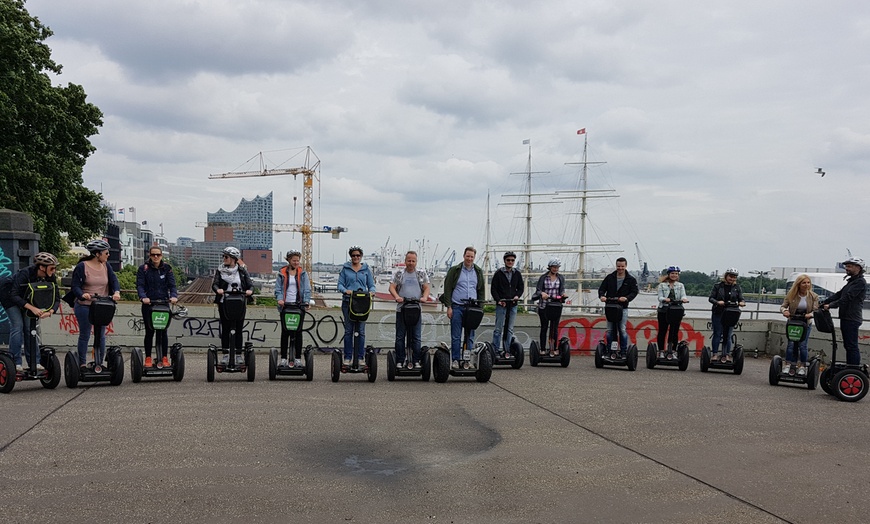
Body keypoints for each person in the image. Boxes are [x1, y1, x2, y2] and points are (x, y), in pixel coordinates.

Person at [70, 239, 121, 370]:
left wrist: (116, 292)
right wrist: (82, 294)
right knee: (85, 334)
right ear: (97, 254)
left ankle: (99, 363)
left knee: (101, 334)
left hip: (102, 305)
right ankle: (81, 364)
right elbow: (75, 286)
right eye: (106, 253)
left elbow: (114, 280)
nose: (108, 255)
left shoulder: (106, 266)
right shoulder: (82, 266)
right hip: (84, 305)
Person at [8, 252, 60, 372]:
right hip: (10, 299)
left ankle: (35, 361)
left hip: (29, 301)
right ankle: (15, 362)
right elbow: (14, 295)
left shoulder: (50, 277)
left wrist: (50, 311)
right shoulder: (25, 273)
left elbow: (56, 298)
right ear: (42, 267)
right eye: (52, 268)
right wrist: (33, 308)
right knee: (18, 326)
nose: (54, 271)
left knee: (30, 329)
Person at [440, 246, 485, 369]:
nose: (469, 259)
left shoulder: (478, 271)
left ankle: (467, 360)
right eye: (468, 256)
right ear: (464, 256)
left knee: (470, 335)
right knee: (456, 335)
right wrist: (448, 307)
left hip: (472, 307)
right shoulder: (455, 270)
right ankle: (455, 360)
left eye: (472, 257)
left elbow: (481, 290)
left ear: (474, 257)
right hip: (457, 306)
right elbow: (448, 288)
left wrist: (481, 307)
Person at [136, 246, 178, 368]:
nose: (155, 257)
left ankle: (164, 357)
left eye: (158, 255)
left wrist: (174, 296)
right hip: (149, 304)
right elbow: (140, 285)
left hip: (163, 304)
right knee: (150, 331)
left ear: (161, 256)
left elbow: (172, 285)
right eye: (153, 255)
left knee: (163, 331)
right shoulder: (143, 269)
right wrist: (143, 297)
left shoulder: (167, 269)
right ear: (149, 255)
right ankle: (148, 357)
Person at [388, 250, 430, 368]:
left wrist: (425, 297)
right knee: (400, 336)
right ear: (405, 261)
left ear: (416, 262)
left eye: (413, 261)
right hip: (402, 309)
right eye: (409, 260)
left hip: (416, 309)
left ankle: (416, 360)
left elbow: (426, 287)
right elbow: (391, 287)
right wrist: (397, 297)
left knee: (416, 337)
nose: (411, 263)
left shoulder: (421, 273)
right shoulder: (399, 273)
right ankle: (400, 360)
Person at [821, 257, 866, 365]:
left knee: (851, 345)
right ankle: (850, 367)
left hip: (852, 318)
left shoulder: (860, 282)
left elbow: (847, 298)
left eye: (849, 266)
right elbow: (839, 294)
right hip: (846, 317)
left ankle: (853, 369)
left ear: (858, 268)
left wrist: (831, 305)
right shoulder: (851, 282)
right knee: (848, 345)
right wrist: (823, 303)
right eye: (846, 266)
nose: (846, 268)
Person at [212, 246, 253, 362]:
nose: (224, 258)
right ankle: (225, 354)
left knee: (239, 329)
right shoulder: (220, 270)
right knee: (225, 329)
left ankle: (239, 354)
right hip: (224, 303)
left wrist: (250, 291)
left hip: (239, 303)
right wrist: (218, 290)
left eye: (226, 257)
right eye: (223, 256)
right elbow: (215, 284)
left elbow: (250, 285)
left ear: (234, 259)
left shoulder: (242, 271)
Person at [338, 246, 376, 366]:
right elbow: (339, 285)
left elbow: (371, 285)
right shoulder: (345, 269)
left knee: (361, 331)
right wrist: (346, 291)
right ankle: (348, 357)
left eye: (358, 255)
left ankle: (360, 357)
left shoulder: (366, 270)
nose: (356, 257)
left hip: (362, 304)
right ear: (351, 256)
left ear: (361, 257)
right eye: (354, 255)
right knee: (349, 331)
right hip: (348, 302)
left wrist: (371, 292)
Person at [274, 249, 312, 367]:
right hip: (285, 306)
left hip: (298, 306)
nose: (296, 263)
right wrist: (280, 299)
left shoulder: (303, 274)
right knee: (285, 332)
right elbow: (278, 289)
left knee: (298, 332)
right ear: (289, 260)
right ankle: (284, 358)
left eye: (298, 260)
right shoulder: (282, 273)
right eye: (294, 260)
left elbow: (306, 289)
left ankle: (298, 359)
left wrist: (306, 302)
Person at [598, 257, 639, 355]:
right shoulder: (610, 277)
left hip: (622, 308)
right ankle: (609, 350)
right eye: (618, 266)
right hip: (610, 307)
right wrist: (602, 296)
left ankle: (623, 351)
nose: (620, 268)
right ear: (616, 266)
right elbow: (602, 289)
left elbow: (634, 292)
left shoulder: (631, 279)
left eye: (622, 266)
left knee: (622, 329)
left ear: (625, 266)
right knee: (610, 330)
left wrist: (627, 298)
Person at [779, 274, 819, 376]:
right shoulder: (791, 295)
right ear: (799, 284)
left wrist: (811, 314)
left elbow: (816, 310)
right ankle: (788, 364)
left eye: (808, 282)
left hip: (805, 324)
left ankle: (802, 366)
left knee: (803, 345)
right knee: (791, 344)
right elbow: (783, 306)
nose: (806, 285)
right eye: (804, 283)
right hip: (793, 322)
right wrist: (785, 311)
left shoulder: (813, 296)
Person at [708, 267, 746, 363]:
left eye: (734, 277)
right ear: (726, 276)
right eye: (730, 276)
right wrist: (717, 302)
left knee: (728, 334)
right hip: (719, 312)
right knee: (717, 333)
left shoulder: (737, 288)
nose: (732, 279)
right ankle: (715, 354)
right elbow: (711, 298)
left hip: (731, 313)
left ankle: (727, 354)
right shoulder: (718, 286)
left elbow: (741, 298)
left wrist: (742, 302)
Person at [491, 251, 524, 356]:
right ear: (504, 261)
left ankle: (507, 350)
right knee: (498, 328)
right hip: (502, 304)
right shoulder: (499, 273)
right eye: (508, 260)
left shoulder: (517, 273)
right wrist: (499, 300)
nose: (510, 262)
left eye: (512, 260)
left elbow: (521, 288)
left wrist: (517, 296)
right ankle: (495, 350)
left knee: (509, 329)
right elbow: (493, 289)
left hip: (512, 305)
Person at [532, 258, 566, 354]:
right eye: (554, 267)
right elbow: (538, 289)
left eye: (557, 267)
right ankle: (542, 349)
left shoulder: (560, 278)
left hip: (556, 305)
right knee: (544, 327)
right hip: (544, 305)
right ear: (550, 267)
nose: (556, 269)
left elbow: (562, 289)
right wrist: (542, 293)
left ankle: (554, 348)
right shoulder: (543, 277)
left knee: (554, 328)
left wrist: (563, 294)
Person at [656, 265, 688, 358]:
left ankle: (673, 351)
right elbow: (660, 297)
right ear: (669, 274)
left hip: (676, 310)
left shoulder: (680, 285)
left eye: (676, 274)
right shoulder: (662, 285)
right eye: (672, 273)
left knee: (674, 331)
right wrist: (665, 299)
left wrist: (684, 299)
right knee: (663, 330)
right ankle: (661, 351)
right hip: (664, 310)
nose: (674, 275)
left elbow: (683, 295)